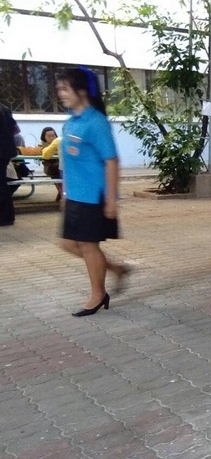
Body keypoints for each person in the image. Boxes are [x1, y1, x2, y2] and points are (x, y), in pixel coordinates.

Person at [56, 66, 130, 316]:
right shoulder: (71, 122)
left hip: (93, 196)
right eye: (59, 89)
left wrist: (111, 199)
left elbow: (111, 161)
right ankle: (117, 269)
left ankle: (98, 294)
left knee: (88, 246)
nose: (61, 94)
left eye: (65, 89)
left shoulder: (96, 122)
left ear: (82, 91)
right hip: (75, 195)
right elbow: (68, 162)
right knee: (69, 244)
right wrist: (64, 193)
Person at [0, 102, 18, 226]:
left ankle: (5, 216)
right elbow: (14, 129)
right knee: (2, 183)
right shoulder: (5, 109)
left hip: (2, 150)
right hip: (6, 151)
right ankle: (7, 216)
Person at [40, 127, 64, 202]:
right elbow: (45, 156)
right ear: (44, 137)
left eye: (53, 135)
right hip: (50, 167)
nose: (51, 138)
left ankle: (62, 193)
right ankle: (62, 193)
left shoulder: (58, 142)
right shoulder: (42, 145)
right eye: (48, 136)